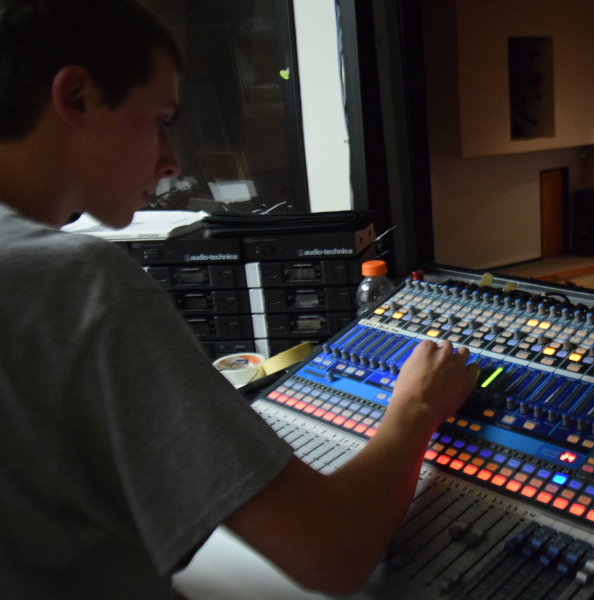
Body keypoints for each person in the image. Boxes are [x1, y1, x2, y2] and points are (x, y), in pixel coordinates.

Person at [0, 2, 479, 598]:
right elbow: (331, 552)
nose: (172, 161)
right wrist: (416, 409)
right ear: (76, 97)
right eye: (162, 119)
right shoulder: (81, 282)